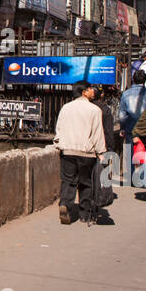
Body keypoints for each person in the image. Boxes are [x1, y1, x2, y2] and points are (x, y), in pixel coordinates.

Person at [53, 81, 106, 225]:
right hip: (86, 152)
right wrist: (101, 152)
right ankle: (84, 214)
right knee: (85, 183)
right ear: (84, 92)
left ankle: (65, 204)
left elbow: (59, 129)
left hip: (68, 150)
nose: (92, 91)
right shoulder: (94, 110)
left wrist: (59, 144)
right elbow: (97, 134)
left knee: (68, 181)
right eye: (90, 89)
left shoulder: (66, 108)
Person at [118, 71, 146, 186]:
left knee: (130, 152)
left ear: (133, 79)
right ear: (145, 80)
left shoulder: (126, 94)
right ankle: (142, 177)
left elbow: (122, 114)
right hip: (145, 128)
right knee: (144, 152)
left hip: (130, 127)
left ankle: (131, 177)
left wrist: (122, 128)